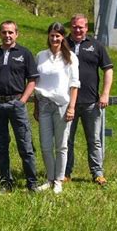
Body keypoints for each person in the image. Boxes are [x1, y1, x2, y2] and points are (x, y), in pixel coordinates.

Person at [0, 20, 39, 193]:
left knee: (25, 146)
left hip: (16, 104)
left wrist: (22, 100)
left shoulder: (25, 54)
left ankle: (31, 183)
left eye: (10, 32)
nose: (7, 35)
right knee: (1, 146)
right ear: (0, 33)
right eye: (4, 32)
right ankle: (6, 183)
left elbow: (32, 80)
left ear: (16, 34)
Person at [65, 14, 113, 185]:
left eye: (81, 27)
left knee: (94, 140)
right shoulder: (63, 44)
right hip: (67, 102)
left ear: (86, 28)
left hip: (90, 102)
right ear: (71, 27)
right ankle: (65, 173)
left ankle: (97, 173)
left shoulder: (96, 46)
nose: (78, 30)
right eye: (75, 27)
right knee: (66, 140)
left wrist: (105, 93)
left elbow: (108, 70)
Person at [34, 22, 80, 194]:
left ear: (63, 37)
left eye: (58, 35)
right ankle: (49, 178)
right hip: (44, 105)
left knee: (61, 145)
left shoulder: (70, 57)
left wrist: (71, 107)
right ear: (48, 36)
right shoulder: (40, 56)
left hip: (62, 105)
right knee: (45, 145)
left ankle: (59, 180)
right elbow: (36, 83)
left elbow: (75, 84)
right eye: (52, 35)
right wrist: (37, 107)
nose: (54, 38)